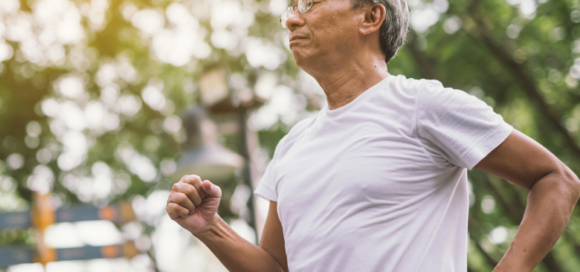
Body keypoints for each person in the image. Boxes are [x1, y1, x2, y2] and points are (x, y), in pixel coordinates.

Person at [165, 0, 580, 271]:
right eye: (290, 8)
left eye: (309, 3)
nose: (292, 18)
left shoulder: (422, 105)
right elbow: (276, 266)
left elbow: (556, 179)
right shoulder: (292, 145)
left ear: (370, 17)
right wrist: (209, 227)